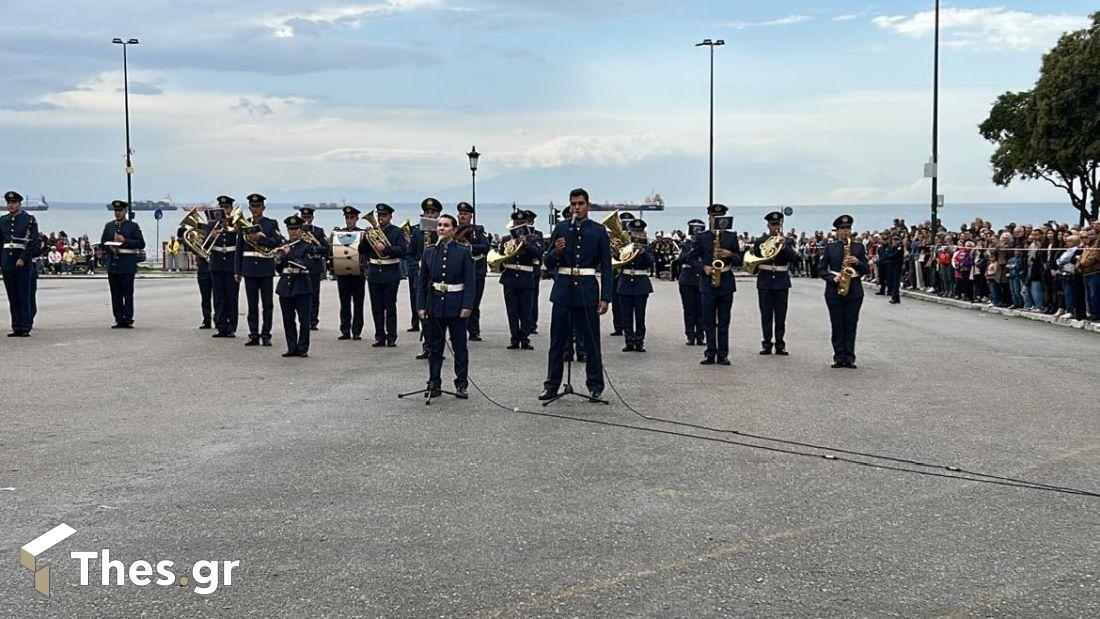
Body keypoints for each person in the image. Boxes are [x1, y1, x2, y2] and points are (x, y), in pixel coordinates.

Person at [540, 188, 613, 401]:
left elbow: (607, 267)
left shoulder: (599, 231)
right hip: (563, 291)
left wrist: (606, 297)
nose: (577, 208)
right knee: (557, 341)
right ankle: (551, 385)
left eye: (580, 204)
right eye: (573, 204)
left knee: (591, 341)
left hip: (588, 290)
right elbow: (547, 261)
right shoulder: (562, 228)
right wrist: (557, 252)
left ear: (588, 206)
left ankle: (595, 386)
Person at [417, 213, 476, 398]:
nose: (441, 228)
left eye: (446, 226)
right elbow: (422, 282)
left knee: (459, 347)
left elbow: (470, 282)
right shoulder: (429, 251)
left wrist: (467, 305)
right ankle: (434, 382)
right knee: (435, 347)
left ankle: (461, 383)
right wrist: (420, 306)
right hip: (435, 304)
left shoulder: (464, 251)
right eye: (439, 225)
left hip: (456, 304)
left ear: (454, 229)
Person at [688, 204, 743, 366]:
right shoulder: (702, 237)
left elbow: (740, 259)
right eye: (713, 217)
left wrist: (730, 254)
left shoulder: (731, 237)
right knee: (708, 320)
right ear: (709, 218)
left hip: (726, 281)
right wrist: (703, 267)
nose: (716, 220)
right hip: (707, 282)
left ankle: (723, 354)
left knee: (724, 320)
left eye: (720, 217)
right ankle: (710, 352)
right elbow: (690, 258)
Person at [818, 215, 869, 369]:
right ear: (837, 231)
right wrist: (832, 278)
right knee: (837, 324)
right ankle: (839, 356)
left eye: (848, 228)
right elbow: (821, 269)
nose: (846, 231)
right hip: (835, 289)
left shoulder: (859, 247)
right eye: (842, 229)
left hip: (854, 289)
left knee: (851, 324)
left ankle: (850, 357)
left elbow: (866, 269)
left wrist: (857, 262)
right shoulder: (830, 247)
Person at [236, 193, 282, 347]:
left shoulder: (271, 224)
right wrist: (238, 271)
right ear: (249, 208)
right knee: (252, 305)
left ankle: (266, 334)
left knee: (267, 304)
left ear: (263, 207)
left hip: (266, 269)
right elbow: (239, 250)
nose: (255, 209)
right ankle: (253, 334)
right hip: (249, 269)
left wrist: (259, 239)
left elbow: (277, 242)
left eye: (258, 206)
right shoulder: (244, 225)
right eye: (253, 206)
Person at [751, 211, 799, 355]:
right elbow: (754, 261)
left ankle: (780, 344)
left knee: (780, 315)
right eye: (773, 224)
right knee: (766, 315)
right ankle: (766, 343)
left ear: (781, 225)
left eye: (777, 224)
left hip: (781, 281)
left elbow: (796, 261)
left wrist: (785, 247)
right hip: (765, 281)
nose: (775, 227)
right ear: (768, 225)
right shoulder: (760, 241)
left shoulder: (788, 241)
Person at [499, 211, 544, 350]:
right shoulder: (507, 239)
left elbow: (538, 253)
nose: (519, 225)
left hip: (526, 277)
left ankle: (525, 338)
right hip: (510, 278)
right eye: (517, 223)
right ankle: (514, 338)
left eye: (522, 223)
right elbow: (501, 255)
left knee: (526, 310)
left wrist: (526, 244)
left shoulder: (535, 238)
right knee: (512, 310)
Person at [365, 203, 408, 347]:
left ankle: (391, 336)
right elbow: (362, 251)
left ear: (390, 216)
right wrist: (365, 239)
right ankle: (379, 336)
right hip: (374, 273)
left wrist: (386, 248)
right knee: (376, 307)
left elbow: (402, 251)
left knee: (390, 307)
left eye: (384, 216)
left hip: (390, 273)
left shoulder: (397, 232)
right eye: (379, 216)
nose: (381, 218)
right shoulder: (373, 231)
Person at [100, 200, 146, 328]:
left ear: (125, 211)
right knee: (115, 294)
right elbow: (103, 243)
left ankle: (128, 318)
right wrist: (109, 248)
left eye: (120, 211)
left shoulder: (132, 226)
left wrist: (125, 240)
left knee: (127, 294)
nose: (117, 213)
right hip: (113, 265)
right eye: (116, 211)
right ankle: (119, 318)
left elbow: (141, 243)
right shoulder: (109, 226)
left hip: (127, 265)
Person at [274, 215, 314, 357]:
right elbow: (280, 270)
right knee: (288, 319)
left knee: (304, 320)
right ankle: (292, 347)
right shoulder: (285, 245)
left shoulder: (307, 246)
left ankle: (303, 348)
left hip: (301, 285)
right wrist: (278, 260)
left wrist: (288, 255)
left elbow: (306, 265)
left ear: (301, 229)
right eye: (290, 229)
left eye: (296, 228)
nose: (293, 232)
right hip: (286, 285)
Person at [1, 190, 40, 337]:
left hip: (22, 262)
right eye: (9, 203)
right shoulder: (2, 220)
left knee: (24, 295)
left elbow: (34, 243)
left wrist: (23, 258)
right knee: (13, 296)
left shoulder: (29, 219)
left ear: (19, 203)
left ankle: (25, 326)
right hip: (7, 261)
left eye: (13, 203)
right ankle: (16, 325)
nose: (11, 205)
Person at [616, 218, 655, 352]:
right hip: (625, 282)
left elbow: (651, 263)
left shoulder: (647, 247)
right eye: (634, 232)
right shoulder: (624, 246)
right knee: (626, 315)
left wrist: (642, 252)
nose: (637, 235)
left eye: (639, 232)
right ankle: (629, 341)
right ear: (630, 233)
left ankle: (639, 341)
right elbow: (617, 260)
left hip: (641, 283)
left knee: (640, 315)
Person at [333, 205, 368, 340]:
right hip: (343, 273)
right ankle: (345, 330)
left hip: (358, 273)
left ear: (357, 218)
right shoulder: (339, 233)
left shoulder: (362, 233)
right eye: (347, 217)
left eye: (351, 217)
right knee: (344, 303)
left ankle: (357, 331)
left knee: (358, 304)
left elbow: (365, 251)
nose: (349, 220)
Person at [456, 201, 490, 342]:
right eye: (461, 214)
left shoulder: (478, 230)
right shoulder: (454, 230)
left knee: (474, 302)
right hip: (459, 272)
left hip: (476, 271)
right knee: (459, 302)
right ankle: (458, 331)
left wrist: (470, 247)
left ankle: (474, 331)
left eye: (465, 214)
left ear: (471, 216)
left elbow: (485, 247)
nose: (462, 216)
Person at [413, 198, 442, 359]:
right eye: (427, 212)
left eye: (433, 212)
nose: (430, 215)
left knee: (437, 315)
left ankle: (437, 348)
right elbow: (410, 254)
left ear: (438, 214)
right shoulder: (417, 232)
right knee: (422, 312)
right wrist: (414, 268)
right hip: (421, 278)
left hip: (438, 279)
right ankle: (427, 346)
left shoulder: (443, 231)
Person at [207, 196, 240, 338]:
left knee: (232, 297)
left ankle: (231, 327)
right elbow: (205, 247)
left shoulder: (236, 224)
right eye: (222, 208)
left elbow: (240, 244)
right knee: (219, 297)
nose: (225, 210)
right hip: (217, 264)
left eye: (227, 208)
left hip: (231, 263)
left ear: (231, 209)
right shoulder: (212, 225)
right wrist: (211, 235)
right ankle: (221, 326)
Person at [179, 210, 213, 329]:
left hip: (216, 267)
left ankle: (219, 320)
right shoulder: (201, 231)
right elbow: (193, 248)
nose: (210, 220)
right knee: (205, 297)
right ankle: (206, 319)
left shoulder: (219, 232)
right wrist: (192, 244)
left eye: (211, 218)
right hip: (203, 267)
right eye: (208, 218)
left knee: (219, 297)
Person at [297, 206, 328, 330]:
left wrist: (314, 249)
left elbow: (326, 248)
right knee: (300, 295)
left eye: (308, 218)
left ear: (312, 218)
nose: (306, 220)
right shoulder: (296, 231)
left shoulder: (318, 231)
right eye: (303, 218)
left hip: (314, 267)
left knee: (314, 296)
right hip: (301, 267)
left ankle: (313, 321)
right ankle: (303, 319)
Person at [677, 219, 706, 346]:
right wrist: (693, 251)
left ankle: (700, 335)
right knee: (689, 309)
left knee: (701, 310)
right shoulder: (686, 245)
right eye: (694, 231)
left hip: (701, 279)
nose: (696, 233)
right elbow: (680, 259)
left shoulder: (706, 244)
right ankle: (690, 335)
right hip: (687, 280)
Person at [609, 211, 635, 337]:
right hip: (616, 275)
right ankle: (618, 327)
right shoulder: (615, 239)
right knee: (616, 302)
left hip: (629, 275)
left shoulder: (636, 240)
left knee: (629, 305)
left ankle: (628, 327)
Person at [523, 209, 544, 335]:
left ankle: (532, 324)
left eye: (530, 221)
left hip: (534, 269)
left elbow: (540, 251)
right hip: (523, 269)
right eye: (527, 221)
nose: (529, 223)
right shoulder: (518, 234)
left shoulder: (538, 234)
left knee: (533, 298)